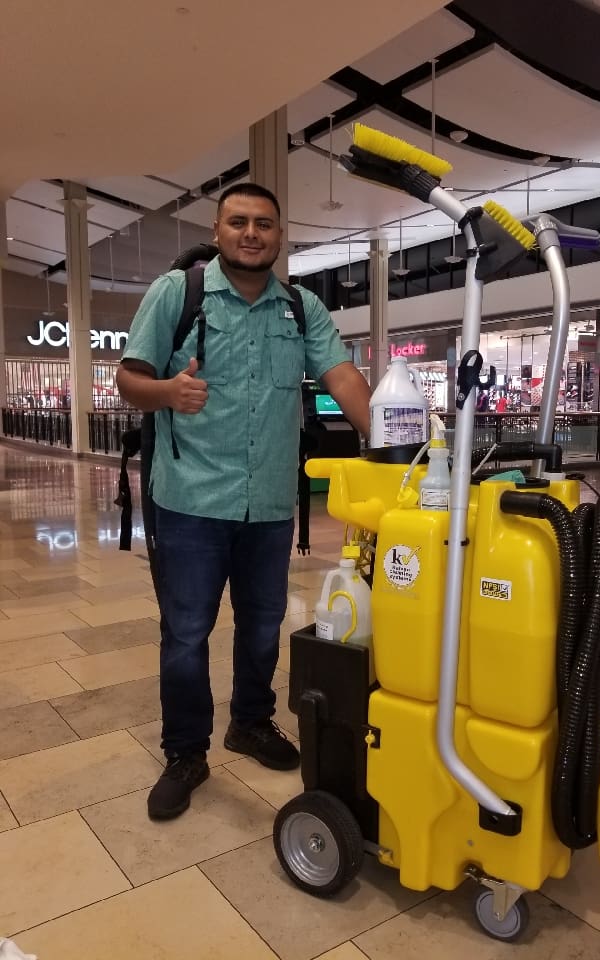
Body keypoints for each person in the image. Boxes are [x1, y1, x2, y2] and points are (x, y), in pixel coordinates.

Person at [116, 183, 371, 821]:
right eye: (238, 222)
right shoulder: (178, 294)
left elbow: (340, 376)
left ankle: (250, 723)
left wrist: (401, 442)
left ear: (281, 236)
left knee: (263, 624)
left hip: (268, 507)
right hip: (190, 501)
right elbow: (128, 379)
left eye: (263, 223)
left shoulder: (300, 306)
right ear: (219, 229)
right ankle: (185, 752)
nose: (250, 233)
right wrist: (168, 393)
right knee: (187, 633)